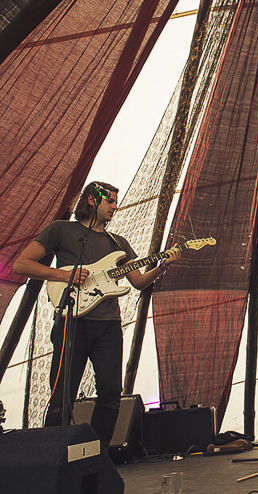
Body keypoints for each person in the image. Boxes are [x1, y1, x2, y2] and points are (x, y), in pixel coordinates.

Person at [13, 181, 180, 445]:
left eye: (116, 201)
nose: (116, 206)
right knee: (62, 394)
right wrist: (63, 274)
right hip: (72, 322)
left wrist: (162, 266)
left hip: (108, 326)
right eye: (110, 201)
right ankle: (53, 452)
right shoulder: (60, 229)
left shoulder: (118, 243)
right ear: (92, 200)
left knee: (111, 392)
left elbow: (137, 281)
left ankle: (96, 452)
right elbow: (22, 264)